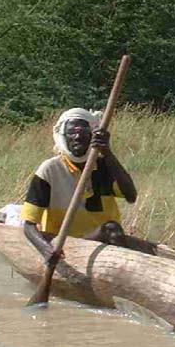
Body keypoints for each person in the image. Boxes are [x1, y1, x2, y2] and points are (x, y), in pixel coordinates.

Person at [21, 108, 153, 264]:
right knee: (111, 229)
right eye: (71, 133)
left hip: (102, 241)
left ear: (91, 136)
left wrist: (107, 152)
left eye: (83, 133)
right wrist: (46, 251)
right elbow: (28, 226)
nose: (77, 137)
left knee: (112, 230)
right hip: (64, 245)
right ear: (63, 136)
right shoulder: (50, 170)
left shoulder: (104, 165)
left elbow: (131, 196)